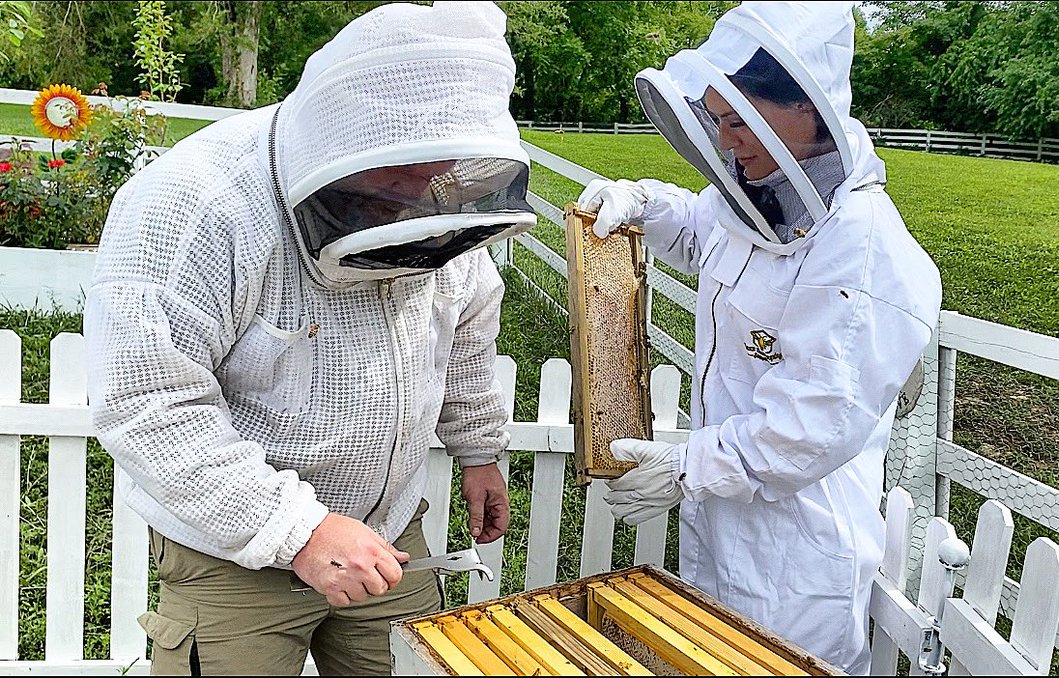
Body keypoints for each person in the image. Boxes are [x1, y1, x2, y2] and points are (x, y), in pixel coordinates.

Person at [83, 2, 535, 674]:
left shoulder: (435, 189)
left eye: (438, 164)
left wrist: (477, 450)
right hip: (231, 551)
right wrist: (301, 530)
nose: (420, 190)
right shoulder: (192, 203)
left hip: (389, 533)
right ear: (348, 126)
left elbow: (466, 323)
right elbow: (149, 402)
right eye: (399, 170)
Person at [578, 2, 942, 674]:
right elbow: (703, 231)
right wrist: (644, 203)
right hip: (723, 517)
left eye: (741, 121)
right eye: (718, 120)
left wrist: (688, 466)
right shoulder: (762, 189)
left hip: (799, 547)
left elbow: (807, 428)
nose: (728, 141)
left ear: (807, 109)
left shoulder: (865, 258)